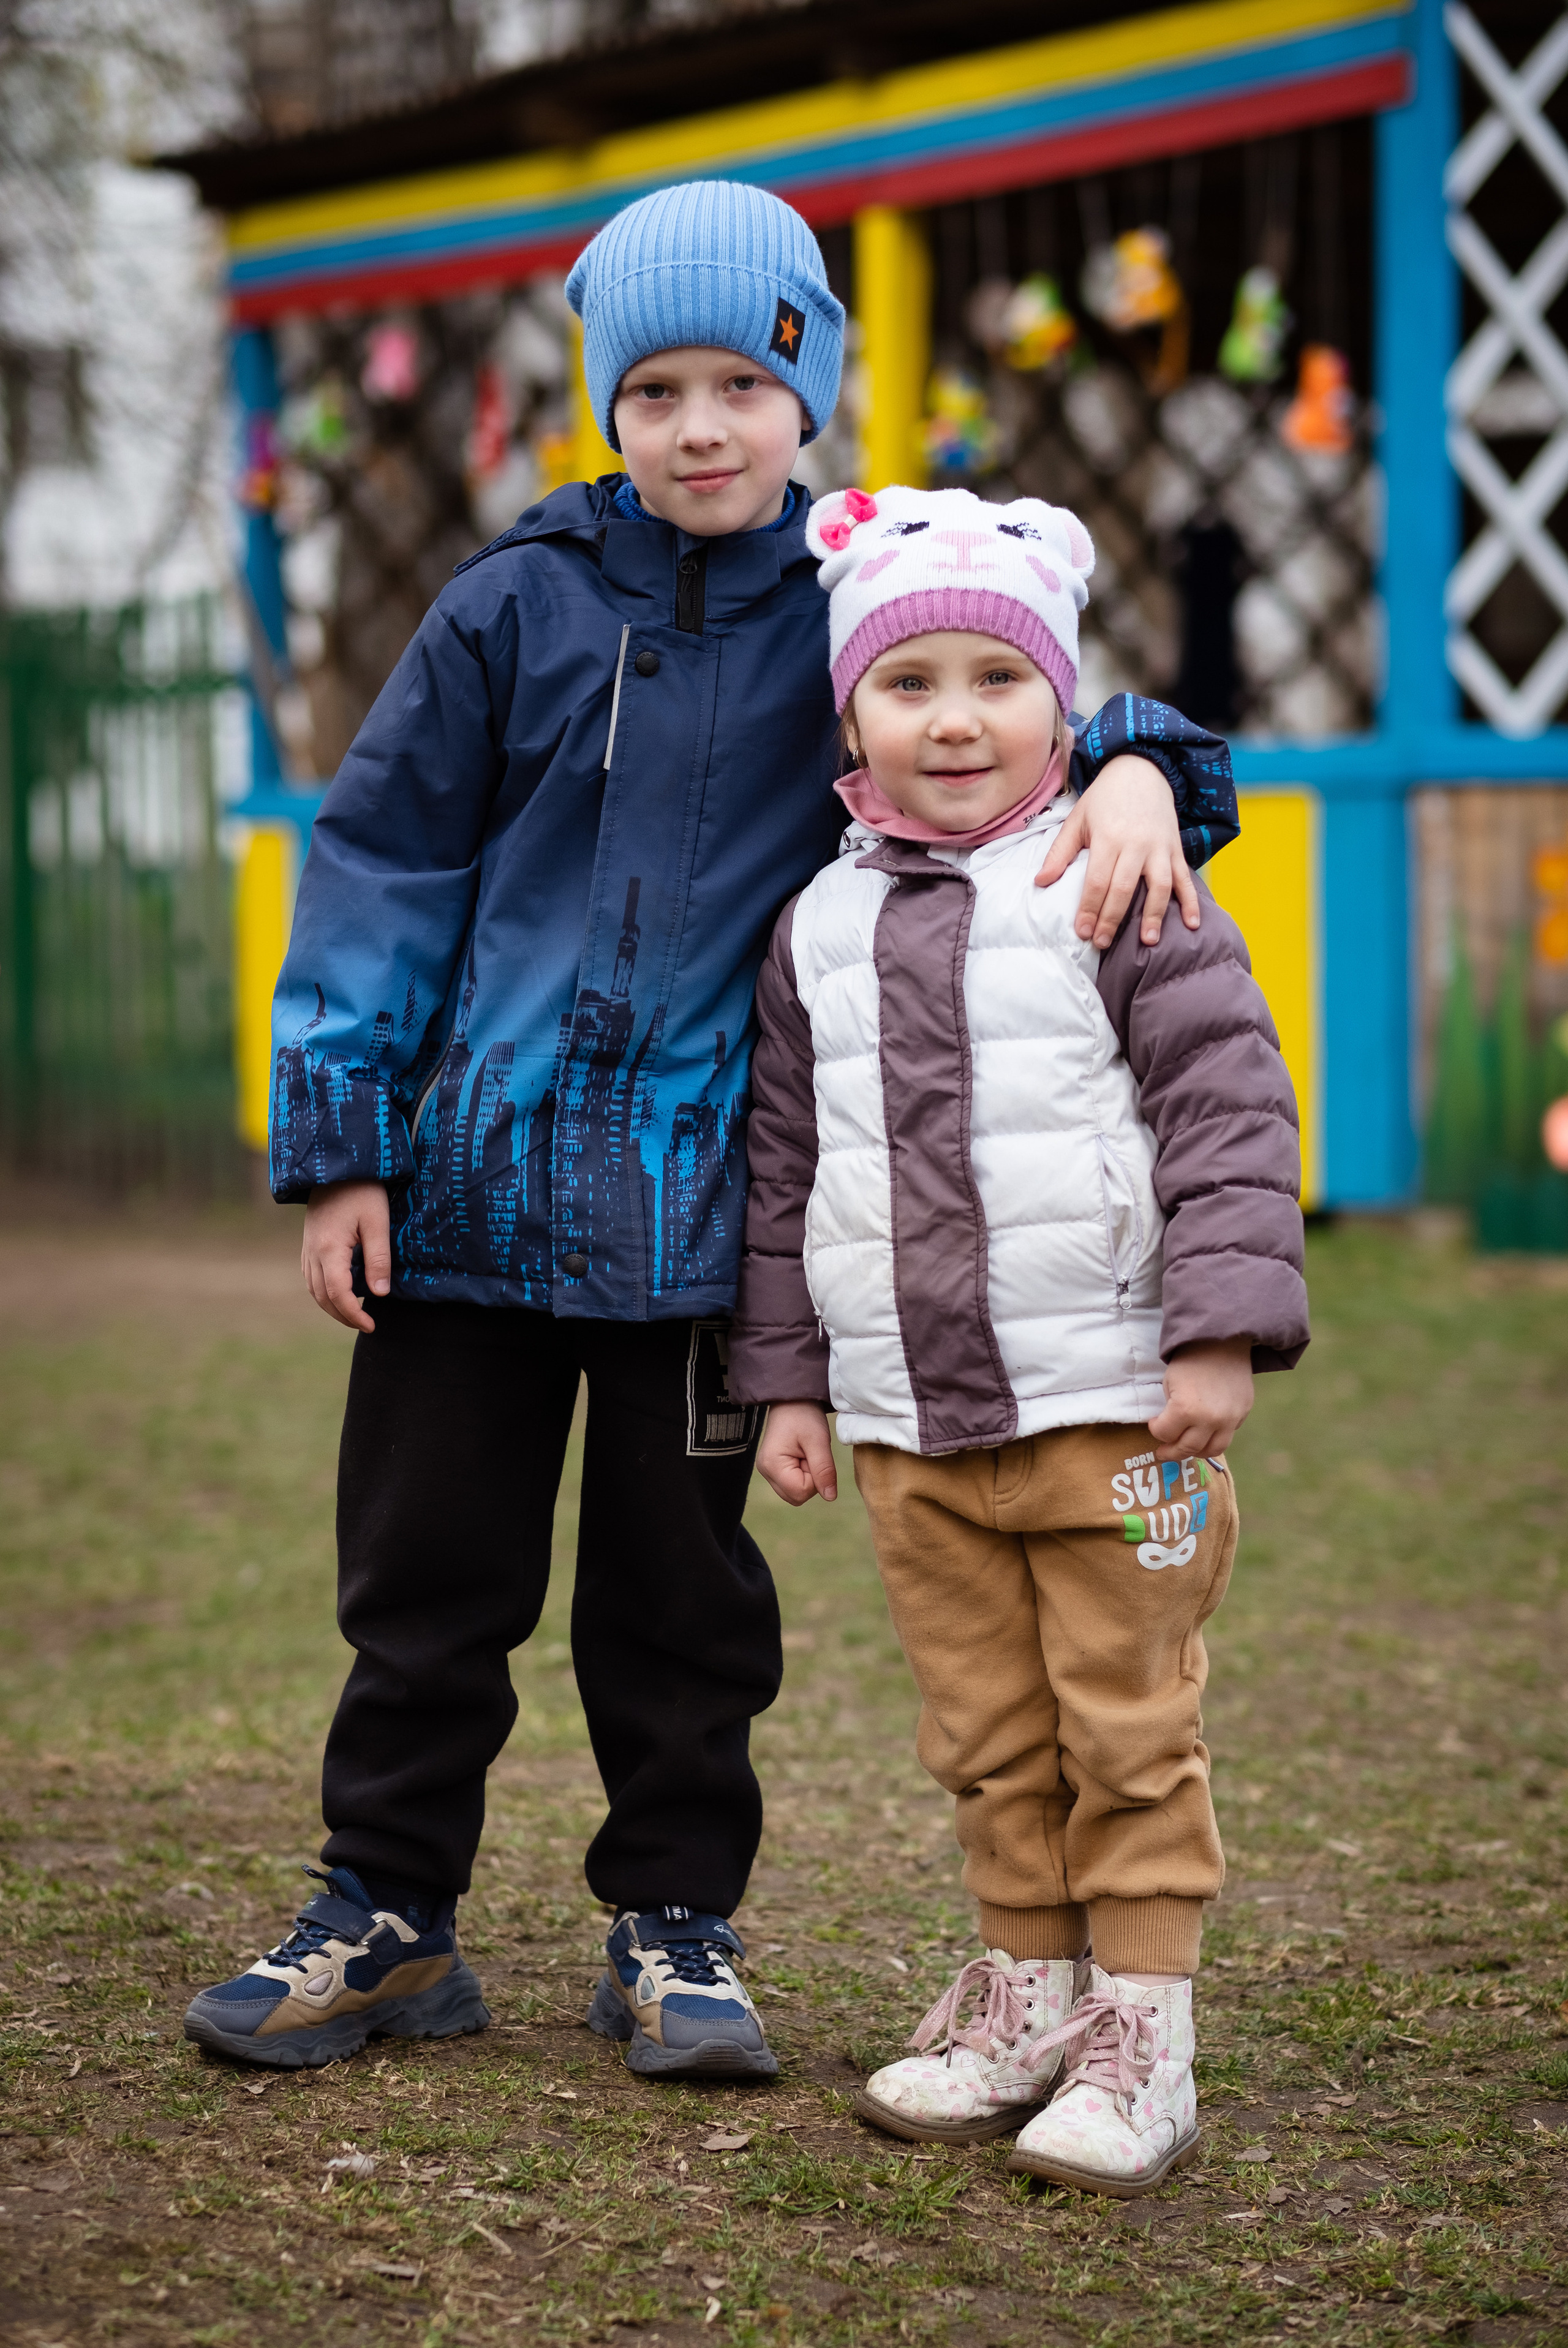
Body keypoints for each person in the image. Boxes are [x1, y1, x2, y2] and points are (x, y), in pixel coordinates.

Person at [182, 183, 1240, 2081]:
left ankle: (676, 1925)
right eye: (654, 388)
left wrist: (1155, 757)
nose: (697, 427)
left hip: (699, 1218)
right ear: (606, 401)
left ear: (804, 391)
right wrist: (344, 1135)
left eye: (740, 384)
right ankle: (388, 1908)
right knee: (428, 1578)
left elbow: (1007, 659)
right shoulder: (509, 605)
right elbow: (383, 861)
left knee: (683, 1603)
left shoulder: (848, 603)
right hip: (468, 1195)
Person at [731, 481, 1308, 2190]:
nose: (956, 718)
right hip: (917, 1427)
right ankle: (1028, 1988)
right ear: (853, 714)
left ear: (1063, 701)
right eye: (910, 685)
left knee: (1128, 1713)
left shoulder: (1115, 873)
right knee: (984, 1729)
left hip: (1124, 1413)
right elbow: (786, 1170)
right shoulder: (815, 926)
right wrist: (787, 1377)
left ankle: (1146, 2024)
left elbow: (1227, 1111)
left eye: (998, 678)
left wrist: (1217, 1335)